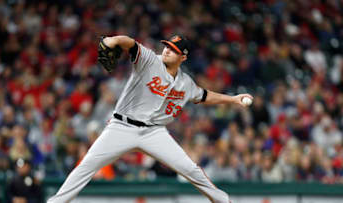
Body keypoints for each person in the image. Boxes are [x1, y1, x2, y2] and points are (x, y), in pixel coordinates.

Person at [47, 34, 253, 203]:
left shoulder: (185, 83)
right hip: (121, 126)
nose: (167, 50)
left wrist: (233, 99)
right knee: (86, 166)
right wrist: (114, 40)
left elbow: (204, 96)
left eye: (173, 49)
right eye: (167, 46)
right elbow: (131, 43)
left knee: (190, 168)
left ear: (183, 57)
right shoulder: (149, 60)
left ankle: (222, 201)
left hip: (154, 132)